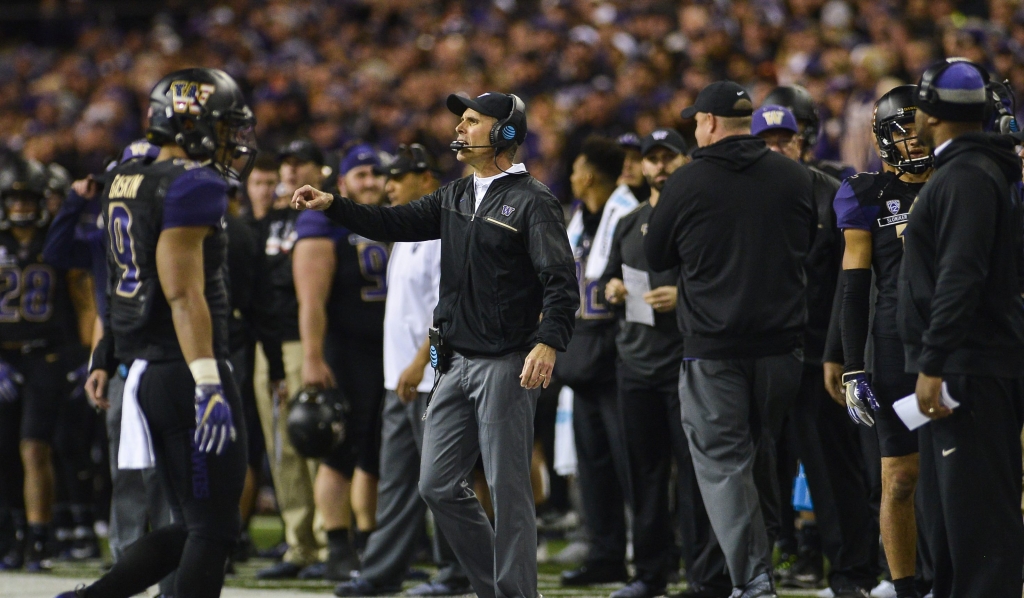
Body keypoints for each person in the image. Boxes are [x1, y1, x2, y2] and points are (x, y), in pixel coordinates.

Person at [291, 91, 578, 598]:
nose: (461, 128)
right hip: (454, 361)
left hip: (505, 362)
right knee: (437, 485)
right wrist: (334, 204)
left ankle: (515, 594)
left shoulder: (534, 201)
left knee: (510, 492)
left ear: (506, 133)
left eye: (472, 121)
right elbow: (392, 222)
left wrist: (549, 342)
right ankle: (491, 585)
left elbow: (560, 280)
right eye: (461, 120)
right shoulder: (455, 197)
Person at [57, 66, 256, 598]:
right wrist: (209, 379)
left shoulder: (127, 175)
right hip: (186, 367)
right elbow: (182, 292)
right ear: (191, 124)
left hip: (148, 365)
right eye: (220, 127)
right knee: (214, 528)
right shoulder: (192, 183)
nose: (228, 140)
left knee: (193, 524)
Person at [645, 81, 815, 598]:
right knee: (757, 449)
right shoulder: (795, 175)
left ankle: (752, 577)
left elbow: (656, 256)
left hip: (714, 350)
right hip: (782, 349)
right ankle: (770, 548)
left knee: (723, 463)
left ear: (712, 123)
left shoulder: (688, 180)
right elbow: (810, 240)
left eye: (697, 120)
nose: (695, 128)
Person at [900, 58, 1024, 598]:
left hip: (966, 371)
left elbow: (960, 277)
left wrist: (933, 362)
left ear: (931, 113)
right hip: (970, 366)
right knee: (956, 522)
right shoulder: (975, 170)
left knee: (978, 528)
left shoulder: (966, 177)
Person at [42, 139, 178, 595]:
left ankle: (167, 570)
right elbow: (58, 252)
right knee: (127, 468)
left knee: (164, 471)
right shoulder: (105, 236)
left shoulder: (169, 227)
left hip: (163, 356)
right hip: (120, 358)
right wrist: (76, 203)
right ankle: (127, 567)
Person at [335, 144, 470, 597]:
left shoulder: (440, 234)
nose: (387, 185)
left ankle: (456, 572)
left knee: (444, 483)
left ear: (425, 177)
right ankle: (382, 571)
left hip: (430, 381)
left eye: (396, 176)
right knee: (397, 482)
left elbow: (445, 314)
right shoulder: (406, 235)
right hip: (401, 382)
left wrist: (422, 365)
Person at [753, 104, 877, 597]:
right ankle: (757, 569)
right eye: (767, 142)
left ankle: (851, 575)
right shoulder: (743, 197)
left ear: (803, 142)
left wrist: (841, 351)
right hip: (757, 354)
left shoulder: (831, 194)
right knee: (758, 470)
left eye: (785, 140)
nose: (777, 149)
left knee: (833, 470)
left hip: (813, 356)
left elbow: (847, 283)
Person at [832, 85, 934, 598]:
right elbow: (853, 286)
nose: (915, 143)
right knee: (900, 477)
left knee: (959, 473)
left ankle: (960, 576)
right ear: (883, 138)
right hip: (895, 343)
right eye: (904, 133)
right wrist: (853, 364)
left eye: (921, 130)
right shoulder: (865, 193)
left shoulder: (964, 182)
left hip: (957, 341)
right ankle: (906, 584)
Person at [600, 128, 697, 598]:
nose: (658, 166)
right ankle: (650, 573)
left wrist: (683, 297)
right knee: (645, 475)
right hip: (635, 364)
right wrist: (613, 290)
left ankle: (701, 573)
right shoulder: (628, 221)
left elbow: (723, 277)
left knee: (695, 475)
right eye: (651, 158)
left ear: (684, 161)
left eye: (667, 157)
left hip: (685, 362)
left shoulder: (700, 218)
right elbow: (606, 279)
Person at [292, 143, 388, 581]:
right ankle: (336, 543)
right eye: (360, 174)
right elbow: (311, 300)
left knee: (375, 452)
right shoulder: (322, 219)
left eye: (376, 174)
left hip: (390, 353)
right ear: (343, 181)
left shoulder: (396, 215)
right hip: (345, 352)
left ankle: (370, 541)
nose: (370, 182)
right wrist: (313, 357)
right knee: (338, 451)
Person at [0, 155, 90, 572]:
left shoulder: (56, 240)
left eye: (28, 197)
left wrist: (85, 355)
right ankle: (9, 532)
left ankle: (39, 535)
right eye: (14, 198)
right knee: (4, 452)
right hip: (4, 358)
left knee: (35, 447)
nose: (20, 206)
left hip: (46, 356)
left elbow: (81, 300)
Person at [556, 135, 633, 588]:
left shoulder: (624, 213)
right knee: (593, 463)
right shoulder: (579, 219)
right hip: (585, 352)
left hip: (620, 349)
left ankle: (650, 552)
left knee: (631, 462)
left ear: (588, 174)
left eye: (575, 169)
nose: (570, 177)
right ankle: (605, 552)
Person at [253, 139, 323, 580]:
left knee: (315, 443)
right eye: (286, 165)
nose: (291, 172)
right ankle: (300, 544)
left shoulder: (325, 217)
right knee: (283, 449)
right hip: (270, 344)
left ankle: (330, 536)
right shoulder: (268, 222)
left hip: (307, 341)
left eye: (300, 164)